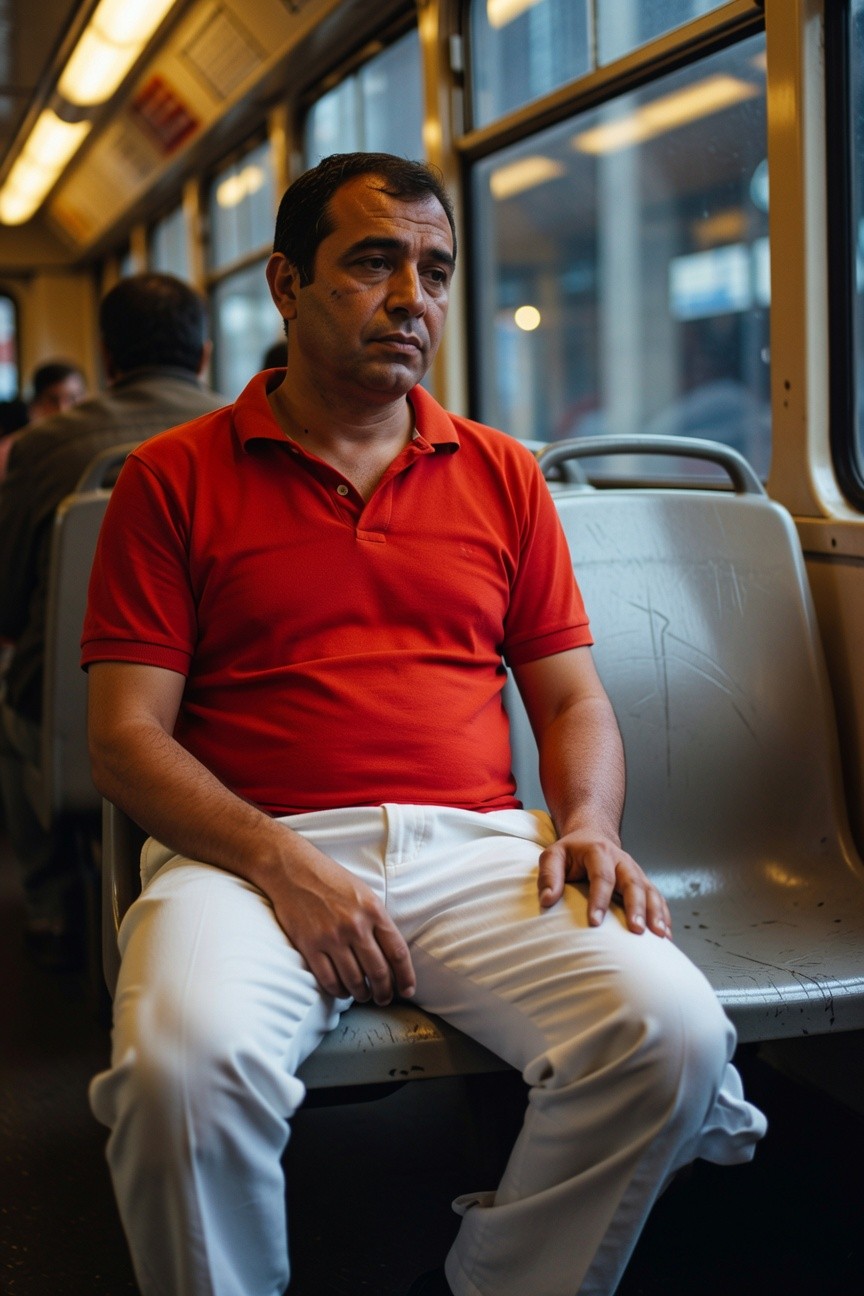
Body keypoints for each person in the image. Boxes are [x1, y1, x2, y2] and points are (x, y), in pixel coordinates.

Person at [83, 154, 766, 1296]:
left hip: (475, 848)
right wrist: (284, 863)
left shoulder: (502, 473)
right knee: (177, 1073)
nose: (414, 298)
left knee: (673, 1036)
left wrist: (590, 821)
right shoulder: (170, 480)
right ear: (288, 284)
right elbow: (125, 740)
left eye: (436, 271)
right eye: (374, 263)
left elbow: (570, 699)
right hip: (245, 856)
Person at [0, 273, 224, 965]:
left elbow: (8, 600)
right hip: (219, 712)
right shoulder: (248, 435)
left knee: (10, 709)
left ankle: (47, 899)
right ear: (206, 355)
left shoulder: (42, 447)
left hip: (71, 714)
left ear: (105, 356)